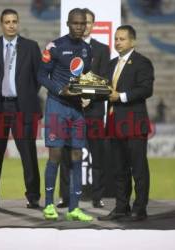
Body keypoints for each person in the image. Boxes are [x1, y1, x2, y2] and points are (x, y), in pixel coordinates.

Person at [0, 9, 42, 209]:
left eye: (14, 21)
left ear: (18, 23)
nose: (11, 25)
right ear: (1, 24)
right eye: (7, 21)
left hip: (22, 109)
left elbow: (37, 78)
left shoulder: (31, 47)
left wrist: (23, 95)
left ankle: (33, 197)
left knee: (28, 154)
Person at [38, 8, 93, 221]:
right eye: (76, 23)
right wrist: (61, 90)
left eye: (83, 24)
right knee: (56, 155)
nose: (79, 27)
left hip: (77, 110)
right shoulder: (55, 46)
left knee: (77, 156)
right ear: (68, 24)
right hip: (57, 107)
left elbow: (85, 77)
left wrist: (89, 93)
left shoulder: (88, 50)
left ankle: (74, 208)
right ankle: (49, 204)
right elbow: (41, 75)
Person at [98, 25, 154, 221]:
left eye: (122, 39)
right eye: (116, 39)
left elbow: (146, 89)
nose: (118, 42)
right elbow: (103, 88)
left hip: (134, 123)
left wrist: (120, 96)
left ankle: (140, 208)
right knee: (119, 169)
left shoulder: (142, 62)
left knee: (138, 169)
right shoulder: (111, 64)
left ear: (133, 41)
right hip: (113, 123)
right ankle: (122, 207)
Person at [58, 8, 110, 209]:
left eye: (88, 22)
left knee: (97, 155)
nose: (84, 26)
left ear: (93, 25)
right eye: (81, 22)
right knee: (66, 154)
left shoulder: (102, 49)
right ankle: (64, 196)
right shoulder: (64, 47)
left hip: (95, 111)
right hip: (70, 109)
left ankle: (97, 197)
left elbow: (105, 79)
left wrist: (88, 95)